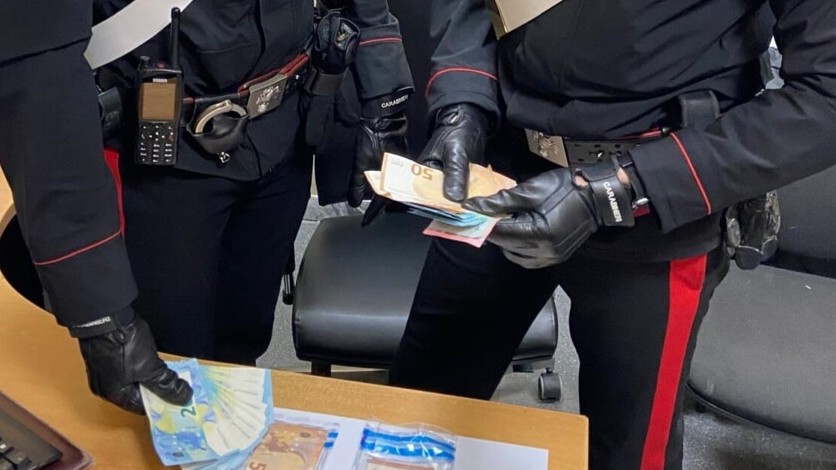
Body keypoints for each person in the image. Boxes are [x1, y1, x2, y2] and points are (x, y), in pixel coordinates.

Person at [386, 1, 836, 469]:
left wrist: (626, 186)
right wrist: (462, 102)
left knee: (628, 452)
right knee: (417, 415)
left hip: (657, 200)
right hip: (503, 170)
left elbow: (826, 95)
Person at [93, 0, 413, 364]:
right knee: (169, 349)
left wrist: (385, 103)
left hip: (282, 131)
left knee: (244, 338)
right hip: (166, 154)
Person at [0, 0, 193, 414]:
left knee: (241, 352)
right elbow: (37, 74)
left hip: (284, 132)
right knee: (176, 362)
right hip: (156, 152)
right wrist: (103, 319)